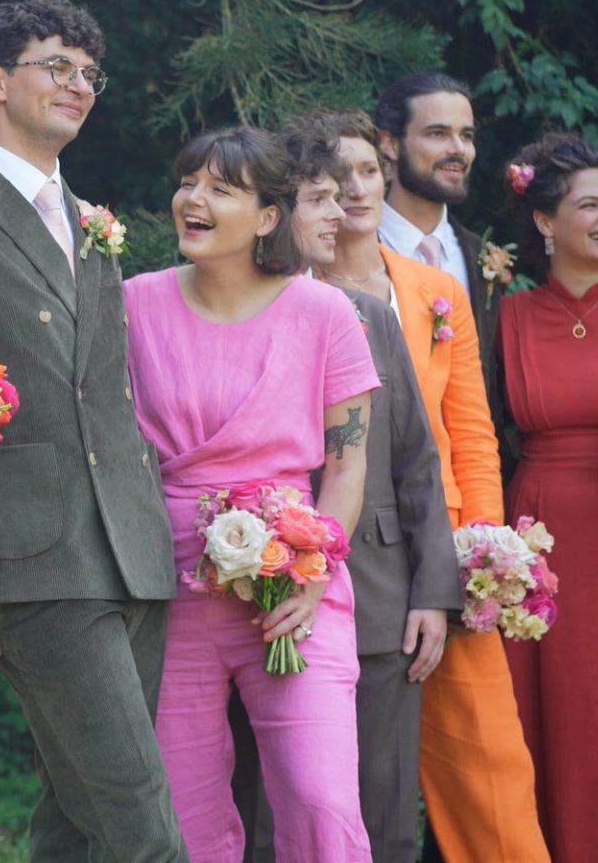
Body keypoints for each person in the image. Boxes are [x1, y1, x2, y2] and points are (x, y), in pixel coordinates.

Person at [0, 0, 185, 862]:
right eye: (56, 66)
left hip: (132, 549)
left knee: (76, 823)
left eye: (89, 73)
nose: (78, 84)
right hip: (31, 559)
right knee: (141, 824)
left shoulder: (92, 225)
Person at [124, 126, 377, 861]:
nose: (193, 199)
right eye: (188, 182)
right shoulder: (133, 303)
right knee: (184, 814)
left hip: (294, 587)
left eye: (220, 188)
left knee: (322, 799)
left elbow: (347, 466)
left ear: (268, 217)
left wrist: (317, 573)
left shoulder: (326, 312)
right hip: (168, 586)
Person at [319, 108, 548, 863]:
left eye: (365, 172)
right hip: (333, 546)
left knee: (489, 758)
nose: (354, 190)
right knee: (345, 767)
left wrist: (483, 549)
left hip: (442, 547)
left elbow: (472, 434)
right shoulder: (289, 289)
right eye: (334, 177)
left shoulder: (434, 289)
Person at [229, 114, 459, 863]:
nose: (343, 213)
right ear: (273, 212)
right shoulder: (222, 314)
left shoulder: (370, 317)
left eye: (342, 195)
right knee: (270, 815)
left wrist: (433, 593)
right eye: (320, 199)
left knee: (384, 814)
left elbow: (417, 461)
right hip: (257, 597)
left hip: (381, 599)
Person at [500, 133, 598, 860]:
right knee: (550, 713)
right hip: (542, 538)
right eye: (590, 204)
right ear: (545, 221)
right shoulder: (506, 317)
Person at [375, 73, 501, 406]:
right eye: (438, 134)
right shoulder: (349, 249)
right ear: (390, 144)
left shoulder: (481, 256)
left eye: (466, 136)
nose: (458, 149)